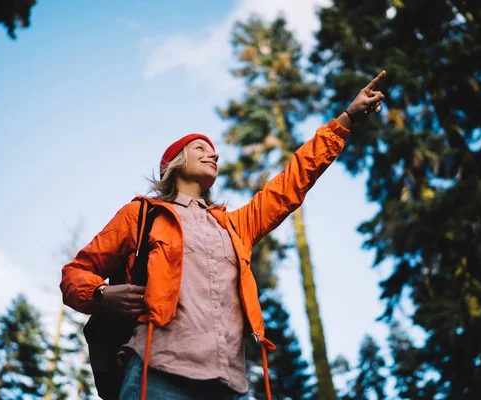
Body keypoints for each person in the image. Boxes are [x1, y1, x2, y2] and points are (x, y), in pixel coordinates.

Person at [60, 71, 386, 400]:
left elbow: (291, 184)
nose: (213, 154)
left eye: (214, 151)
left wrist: (345, 119)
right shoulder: (142, 215)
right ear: (174, 163)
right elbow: (74, 274)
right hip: (156, 375)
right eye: (200, 148)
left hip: (230, 386)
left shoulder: (236, 226)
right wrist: (101, 294)